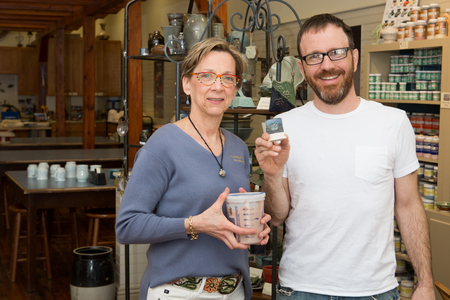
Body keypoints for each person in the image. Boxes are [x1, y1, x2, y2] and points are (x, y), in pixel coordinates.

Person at [255, 14, 434, 300]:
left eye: (336, 53)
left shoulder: (393, 122)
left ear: (354, 57)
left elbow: (409, 206)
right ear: (302, 67)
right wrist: (272, 176)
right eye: (314, 57)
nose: (326, 65)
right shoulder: (282, 126)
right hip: (301, 288)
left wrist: (425, 282)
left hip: (374, 290)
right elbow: (276, 218)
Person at [116, 37, 271, 300]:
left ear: (235, 89)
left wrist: (252, 227)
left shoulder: (237, 148)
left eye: (227, 78)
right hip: (178, 292)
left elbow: (226, 219)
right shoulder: (163, 144)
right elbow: (127, 226)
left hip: (233, 291)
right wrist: (195, 224)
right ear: (187, 84)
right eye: (207, 76)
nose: (218, 86)